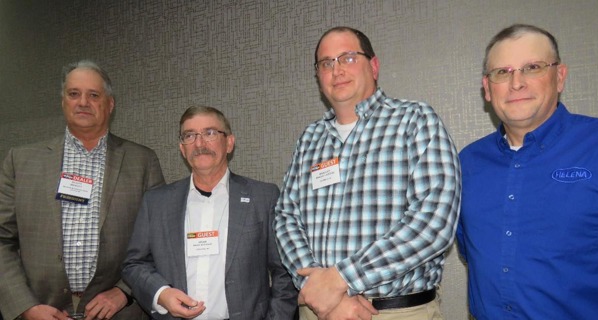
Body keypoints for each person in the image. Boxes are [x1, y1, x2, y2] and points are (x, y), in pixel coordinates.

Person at [274, 26, 461, 320]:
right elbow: (286, 217)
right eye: (326, 63)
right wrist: (321, 292)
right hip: (319, 312)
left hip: (397, 313)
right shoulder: (309, 138)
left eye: (347, 58)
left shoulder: (415, 120)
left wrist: (341, 279)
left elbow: (434, 222)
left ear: (373, 66)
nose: (336, 71)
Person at [457, 24, 598, 319]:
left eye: (532, 67)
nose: (516, 83)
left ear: (560, 77)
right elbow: (471, 250)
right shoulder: (467, 164)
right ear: (487, 88)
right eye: (502, 72)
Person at [0, 60, 165, 320]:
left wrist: (124, 291)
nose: (83, 102)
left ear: (110, 105)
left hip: (118, 314)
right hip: (41, 309)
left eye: (94, 95)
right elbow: (2, 240)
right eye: (74, 94)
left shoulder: (142, 161)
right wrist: (25, 306)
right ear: (63, 101)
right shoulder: (20, 161)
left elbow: (159, 240)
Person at [122, 106, 298, 320]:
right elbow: (134, 264)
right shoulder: (156, 202)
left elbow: (284, 272)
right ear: (182, 148)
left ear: (229, 143)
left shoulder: (263, 197)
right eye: (190, 135)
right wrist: (161, 293)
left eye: (210, 133)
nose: (199, 143)